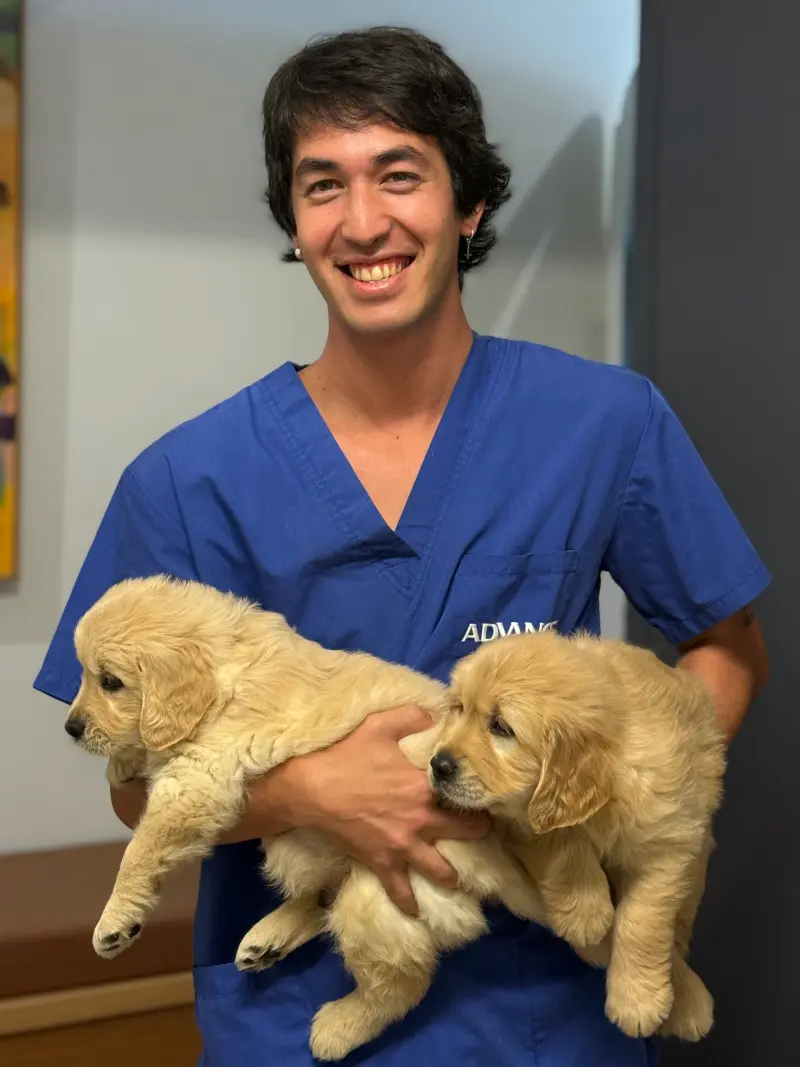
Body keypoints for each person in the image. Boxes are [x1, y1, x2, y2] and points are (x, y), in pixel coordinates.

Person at [35, 25, 770, 1067]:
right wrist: (313, 790)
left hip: (544, 1012)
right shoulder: (185, 479)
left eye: (398, 174)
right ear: (292, 219)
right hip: (295, 1015)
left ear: (466, 204)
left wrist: (626, 793)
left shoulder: (602, 422)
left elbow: (724, 643)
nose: (362, 220)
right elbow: (131, 783)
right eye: (321, 184)